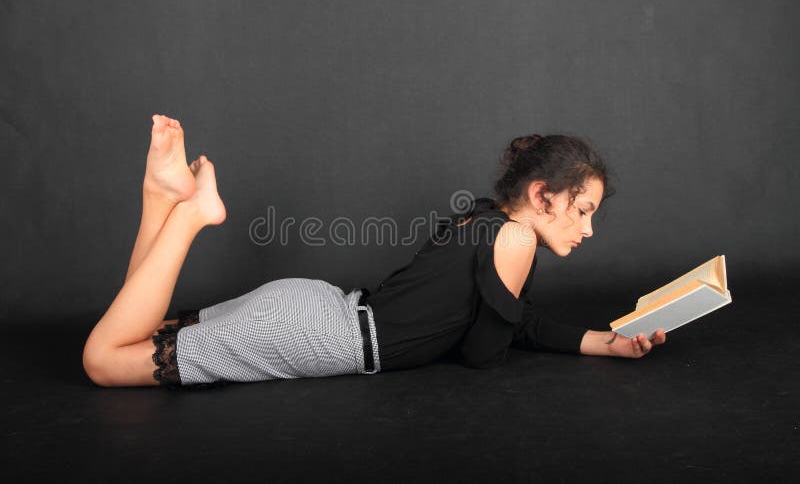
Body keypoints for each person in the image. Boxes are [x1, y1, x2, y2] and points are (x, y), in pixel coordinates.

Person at [82, 115, 666, 389]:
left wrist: (604, 342)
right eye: (583, 211)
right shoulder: (513, 239)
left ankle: (158, 199)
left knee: (137, 330)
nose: (588, 230)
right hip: (314, 333)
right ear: (542, 195)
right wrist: (512, 306)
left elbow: (515, 321)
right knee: (104, 361)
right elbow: (485, 353)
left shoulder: (484, 221)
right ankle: (187, 216)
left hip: (313, 310)